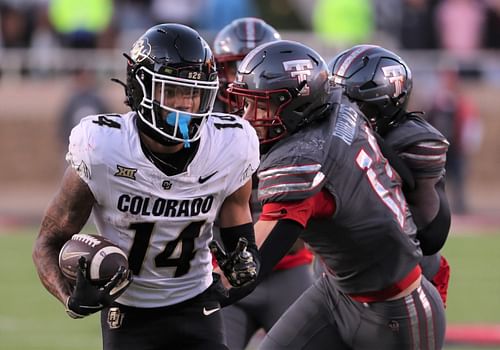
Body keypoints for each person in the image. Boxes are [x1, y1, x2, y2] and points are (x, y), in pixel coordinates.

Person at [32, 23, 261, 350]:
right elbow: (48, 241)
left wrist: (244, 259)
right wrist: (70, 297)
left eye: (195, 94)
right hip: (127, 311)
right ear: (141, 88)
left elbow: (238, 230)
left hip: (196, 302)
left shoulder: (230, 144)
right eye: (174, 91)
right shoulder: (103, 148)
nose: (186, 105)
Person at [225, 40, 446, 349]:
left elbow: (250, 265)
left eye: (261, 105)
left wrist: (191, 292)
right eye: (246, 103)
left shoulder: (305, 159)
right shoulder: (339, 107)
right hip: (335, 293)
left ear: (295, 104)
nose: (249, 117)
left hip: (396, 307)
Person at [213, 18, 315, 349]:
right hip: (223, 268)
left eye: (254, 65)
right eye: (234, 68)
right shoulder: (204, 127)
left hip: (290, 267)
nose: (244, 80)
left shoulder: (300, 124)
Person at [329, 44, 452, 307]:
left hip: (407, 277)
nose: (337, 112)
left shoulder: (414, 142)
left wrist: (372, 145)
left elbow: (431, 235)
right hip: (345, 270)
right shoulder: (334, 136)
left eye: (348, 103)